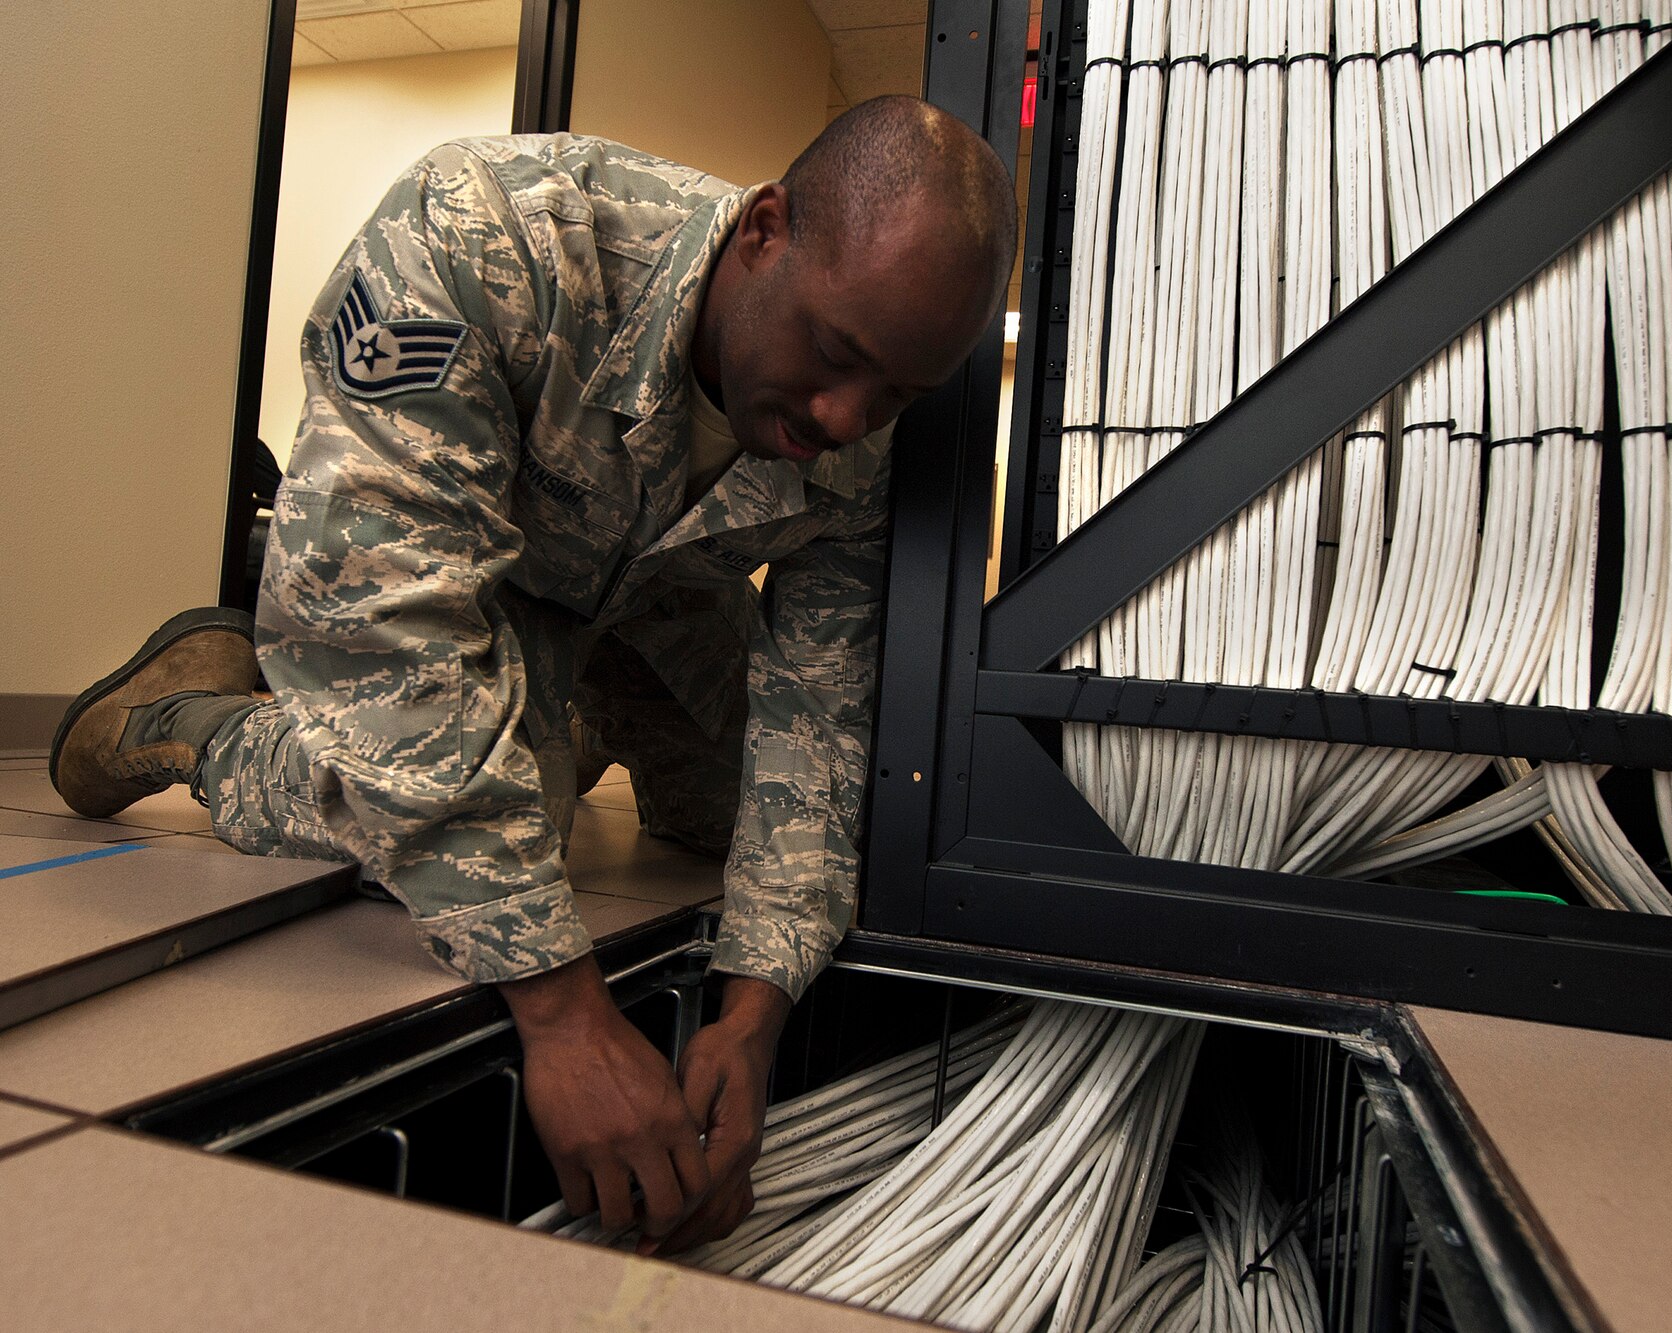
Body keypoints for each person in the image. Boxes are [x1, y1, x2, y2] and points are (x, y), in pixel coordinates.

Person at [50, 96, 1014, 1250]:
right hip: (469, 592)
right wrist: (561, 1014)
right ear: (763, 230)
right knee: (489, 824)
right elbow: (372, 626)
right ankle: (192, 720)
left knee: (732, 812)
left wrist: (757, 1007)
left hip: (661, 599)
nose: (845, 416)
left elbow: (819, 720)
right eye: (837, 355)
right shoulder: (486, 231)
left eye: (896, 392)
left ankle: (552, 715)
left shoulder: (867, 418)